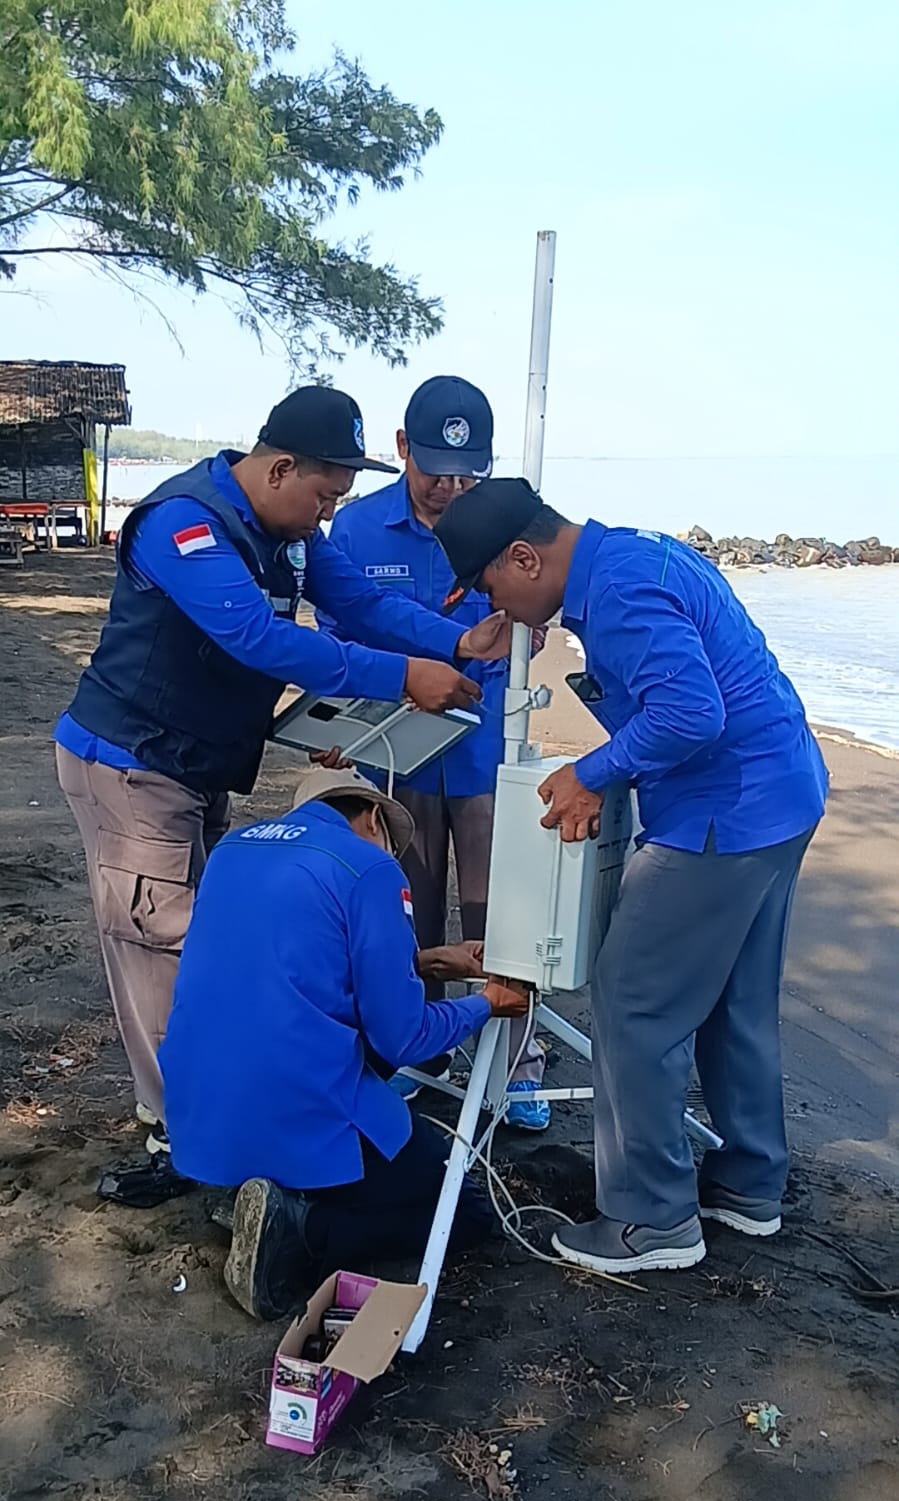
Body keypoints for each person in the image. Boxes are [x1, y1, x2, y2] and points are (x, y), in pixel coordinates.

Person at [55, 387, 512, 1159]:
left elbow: (361, 602)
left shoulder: (290, 533)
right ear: (280, 469)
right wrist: (404, 675)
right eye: (324, 494)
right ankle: (181, 1127)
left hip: (199, 764)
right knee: (160, 941)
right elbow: (258, 639)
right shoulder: (184, 524)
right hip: (131, 764)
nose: (328, 514)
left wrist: (456, 644)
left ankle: (206, 1103)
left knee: (212, 939)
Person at [433, 477, 828, 1275]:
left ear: (523, 555)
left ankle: (651, 1220)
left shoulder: (613, 591)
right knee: (734, 1000)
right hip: (783, 788)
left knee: (633, 1000)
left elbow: (691, 713)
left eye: (489, 586)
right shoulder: (632, 552)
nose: (490, 602)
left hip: (723, 812)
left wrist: (592, 772)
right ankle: (748, 1186)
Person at [159, 765, 529, 1319]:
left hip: (199, 1108)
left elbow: (299, 966)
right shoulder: (371, 868)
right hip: (294, 1102)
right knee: (465, 1212)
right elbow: (403, 1038)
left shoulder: (235, 851)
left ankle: (253, 1193)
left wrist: (426, 962)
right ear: (373, 817)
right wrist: (486, 1004)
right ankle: (302, 1226)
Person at [317, 376, 550, 1130]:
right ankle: (419, 1048)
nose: (450, 488)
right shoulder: (352, 533)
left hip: (486, 752)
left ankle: (514, 1063)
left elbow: (531, 611)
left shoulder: (506, 523)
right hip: (393, 753)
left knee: (500, 915)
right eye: (434, 471)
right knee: (405, 912)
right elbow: (337, 643)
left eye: (466, 474)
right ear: (399, 451)